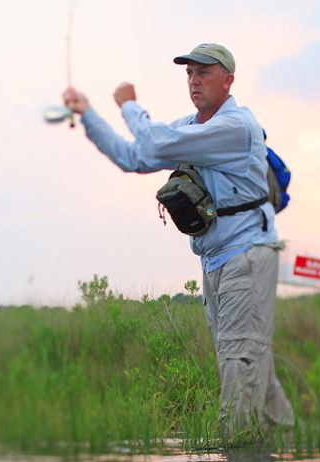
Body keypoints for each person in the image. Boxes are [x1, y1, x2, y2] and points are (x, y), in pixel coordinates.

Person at [62, 43, 294, 438]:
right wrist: (89, 115)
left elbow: (153, 142)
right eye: (189, 73)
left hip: (247, 258)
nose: (194, 79)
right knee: (249, 364)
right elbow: (134, 157)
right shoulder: (193, 126)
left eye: (203, 72)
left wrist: (129, 106)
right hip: (217, 261)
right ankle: (289, 454)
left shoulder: (235, 127)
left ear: (228, 80)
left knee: (240, 364)